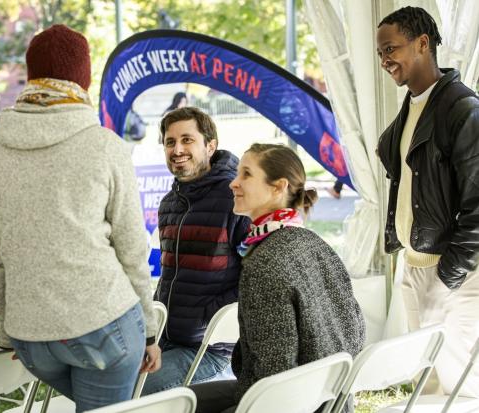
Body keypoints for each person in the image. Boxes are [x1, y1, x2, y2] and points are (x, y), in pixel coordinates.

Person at [0, 25, 161, 412]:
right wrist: (148, 332)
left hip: (30, 337)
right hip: (104, 327)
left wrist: (10, 334)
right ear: (84, 78)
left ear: (31, 76)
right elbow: (132, 248)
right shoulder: (104, 146)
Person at [191, 144, 365, 413]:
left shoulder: (265, 262)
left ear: (278, 187)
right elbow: (355, 332)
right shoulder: (315, 243)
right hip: (334, 398)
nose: (233, 184)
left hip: (292, 403)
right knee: (186, 398)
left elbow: (274, 376)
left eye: (246, 175)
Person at [376, 6, 479, 397]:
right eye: (381, 54)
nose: (385, 61)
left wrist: (449, 276)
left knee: (461, 388)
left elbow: (478, 205)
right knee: (426, 380)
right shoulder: (412, 109)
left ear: (422, 44)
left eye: (391, 49)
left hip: (454, 272)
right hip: (414, 266)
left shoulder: (462, 109)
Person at [142, 107, 250, 394]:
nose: (177, 149)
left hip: (213, 350)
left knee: (131, 393)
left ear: (210, 146)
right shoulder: (168, 204)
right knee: (105, 381)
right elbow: (169, 277)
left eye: (187, 140)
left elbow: (255, 278)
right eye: (170, 142)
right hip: (166, 340)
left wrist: (206, 318)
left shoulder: (236, 198)